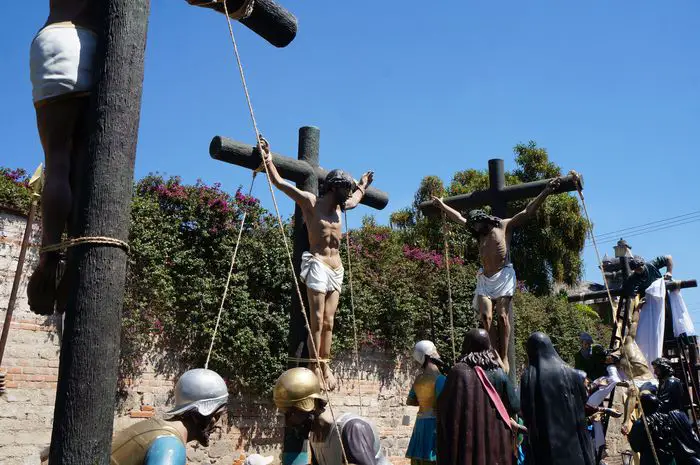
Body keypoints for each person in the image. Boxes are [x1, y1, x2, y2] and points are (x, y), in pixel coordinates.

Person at [261, 140, 373, 390]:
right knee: (318, 318)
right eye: (345, 188)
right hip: (318, 264)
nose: (347, 193)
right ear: (333, 188)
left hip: (336, 269)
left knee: (330, 322)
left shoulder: (341, 207)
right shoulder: (311, 202)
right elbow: (280, 184)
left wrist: (363, 185)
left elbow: (356, 198)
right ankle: (314, 365)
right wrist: (268, 158)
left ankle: (325, 365)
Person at [431, 179, 560, 373]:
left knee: (502, 316)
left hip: (504, 275)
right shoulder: (478, 232)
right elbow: (458, 218)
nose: (475, 229)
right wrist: (442, 205)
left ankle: (505, 357)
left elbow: (527, 212)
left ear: (485, 219)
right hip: (485, 278)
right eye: (473, 227)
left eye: (477, 225)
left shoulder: (503, 226)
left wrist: (546, 192)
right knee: (486, 317)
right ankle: (494, 354)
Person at [27, 0, 100, 315]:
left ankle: (50, 254)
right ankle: (74, 255)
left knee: (57, 159)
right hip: (92, 47)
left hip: (56, 41)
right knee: (82, 165)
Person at [273, 367, 392, 465]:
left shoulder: (352, 429)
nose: (288, 422)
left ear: (309, 407)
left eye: (291, 414)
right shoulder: (315, 436)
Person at [110, 368, 228, 465]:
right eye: (217, 416)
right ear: (197, 415)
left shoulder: (154, 426)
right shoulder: (171, 447)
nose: (218, 424)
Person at [436, 329, 515, 465]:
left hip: (465, 439)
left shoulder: (458, 372)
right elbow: (514, 405)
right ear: (488, 347)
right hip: (495, 438)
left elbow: (443, 406)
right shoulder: (498, 373)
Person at [520, 332, 595, 465]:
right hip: (574, 442)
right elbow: (583, 400)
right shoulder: (572, 373)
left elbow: (525, 411)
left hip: (544, 446)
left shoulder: (529, 376)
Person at [627, 392, 700, 465]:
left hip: (650, 461)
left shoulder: (640, 424)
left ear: (642, 406)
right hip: (670, 460)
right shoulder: (668, 418)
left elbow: (635, 447)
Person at [405, 341, 446, 465]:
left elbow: (411, 400)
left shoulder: (418, 379)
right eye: (434, 350)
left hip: (420, 424)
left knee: (418, 459)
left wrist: (425, 399)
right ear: (429, 354)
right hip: (434, 425)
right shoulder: (441, 379)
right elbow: (445, 405)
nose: (437, 353)